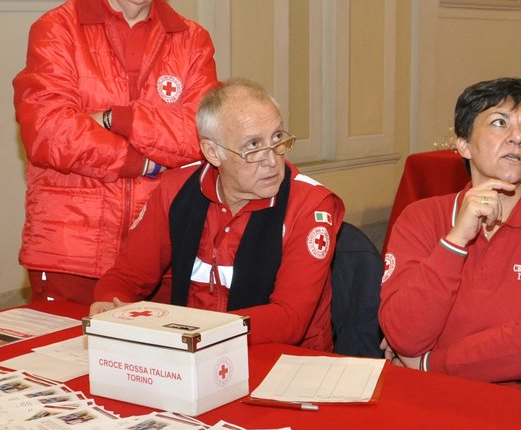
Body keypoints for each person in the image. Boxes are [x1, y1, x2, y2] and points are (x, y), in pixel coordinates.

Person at [14, 0, 219, 304]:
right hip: (71, 252)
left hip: (160, 255)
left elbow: (202, 134)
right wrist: (139, 161)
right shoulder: (56, 31)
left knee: (157, 369)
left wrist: (115, 119)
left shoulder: (191, 41)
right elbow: (49, 131)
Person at [89, 79, 344, 350]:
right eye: (254, 147)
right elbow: (127, 277)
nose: (272, 161)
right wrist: (109, 304)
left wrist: (191, 333)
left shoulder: (311, 205)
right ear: (213, 152)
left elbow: (288, 320)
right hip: (193, 352)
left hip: (284, 361)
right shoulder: (176, 190)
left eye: (278, 139)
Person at [379, 78, 521, 387]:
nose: (517, 137)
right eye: (500, 123)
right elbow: (405, 334)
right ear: (463, 144)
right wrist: (456, 240)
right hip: (433, 395)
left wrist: (429, 363)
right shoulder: (420, 218)